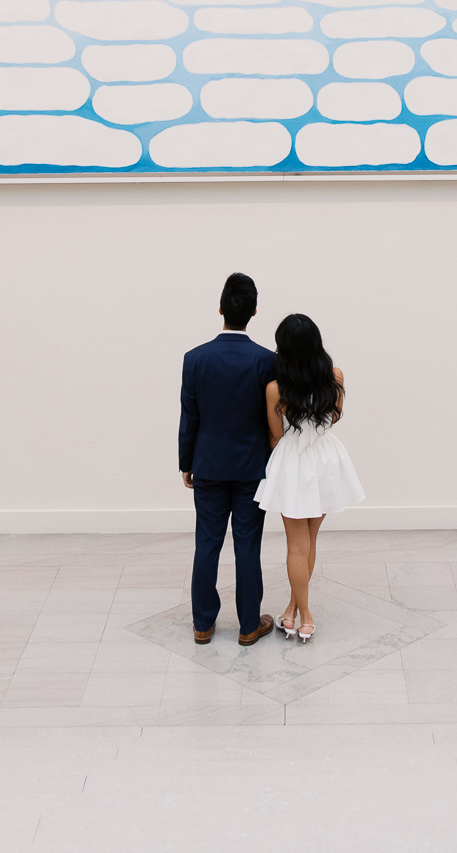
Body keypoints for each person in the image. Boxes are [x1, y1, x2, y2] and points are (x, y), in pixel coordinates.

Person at [177, 272, 278, 647]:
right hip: (253, 469)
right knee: (247, 547)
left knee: (207, 543)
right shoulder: (266, 361)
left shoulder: (195, 359)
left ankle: (203, 624)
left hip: (208, 466)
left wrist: (186, 462)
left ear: (220, 308)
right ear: (254, 311)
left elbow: (190, 417)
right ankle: (249, 625)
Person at [255, 313, 365, 643]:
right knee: (309, 543)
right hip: (326, 460)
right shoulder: (335, 376)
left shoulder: (276, 389)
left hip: (293, 462)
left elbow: (275, 437)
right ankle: (292, 609)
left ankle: (304, 615)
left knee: (296, 546)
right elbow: (335, 416)